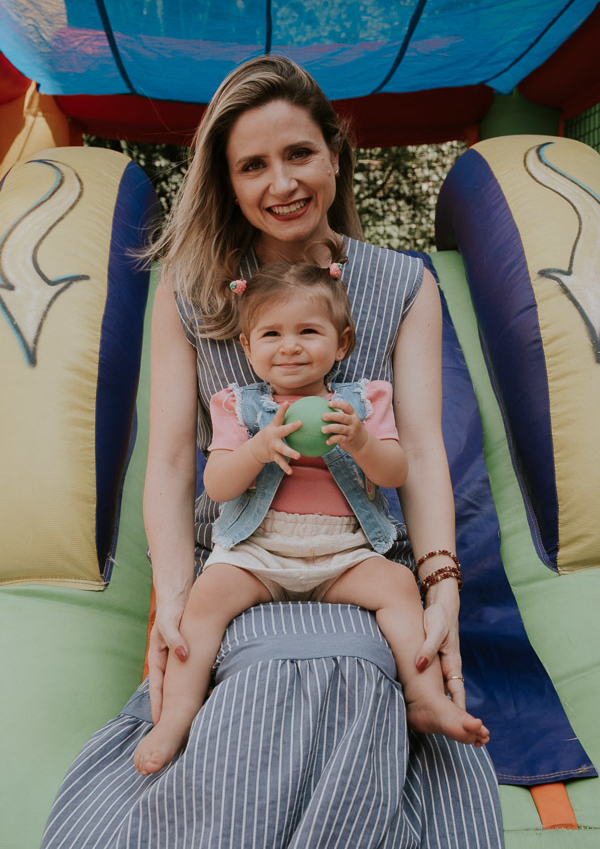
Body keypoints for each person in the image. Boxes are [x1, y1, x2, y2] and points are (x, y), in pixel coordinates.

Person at [42, 55, 503, 847]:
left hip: (353, 554)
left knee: (353, 666)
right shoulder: (191, 295)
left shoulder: (402, 286)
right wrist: (177, 604)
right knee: (257, 675)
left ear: (334, 153)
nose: (281, 182)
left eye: (297, 154)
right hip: (241, 552)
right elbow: (171, 461)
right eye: (252, 165)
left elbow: (420, 451)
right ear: (226, 180)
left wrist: (440, 585)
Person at [133, 256, 489, 776]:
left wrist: (363, 442)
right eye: (272, 333)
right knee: (203, 602)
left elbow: (395, 472)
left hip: (342, 550)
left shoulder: (362, 403)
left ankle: (424, 696)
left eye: (308, 331)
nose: (291, 345)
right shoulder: (239, 407)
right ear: (247, 348)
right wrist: (257, 451)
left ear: (341, 343)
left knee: (395, 585)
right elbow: (215, 484)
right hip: (258, 549)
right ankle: (178, 714)